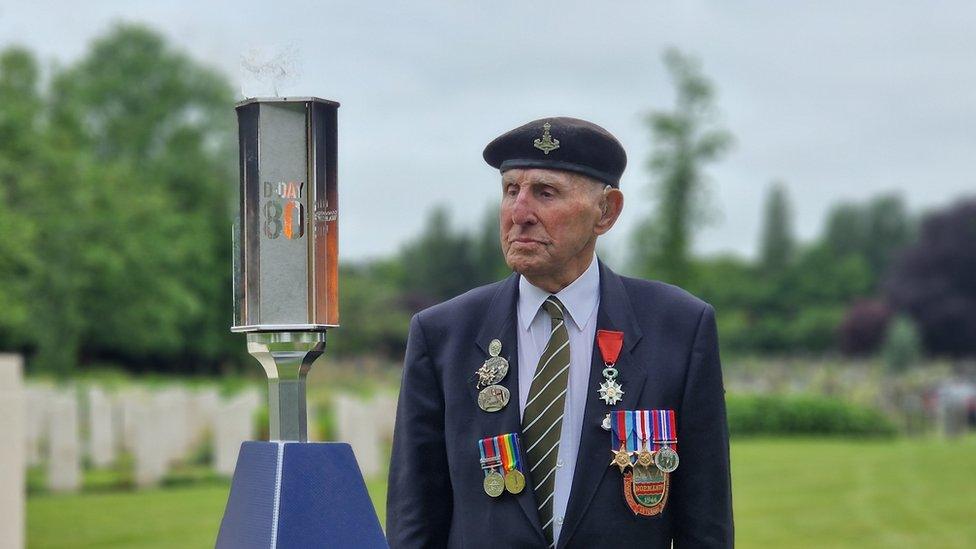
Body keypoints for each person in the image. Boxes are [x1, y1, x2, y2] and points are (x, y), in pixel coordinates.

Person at [387, 117, 733, 548]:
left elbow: (707, 524)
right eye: (511, 190)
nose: (519, 213)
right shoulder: (443, 335)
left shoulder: (680, 328)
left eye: (545, 193)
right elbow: (414, 520)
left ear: (606, 212)